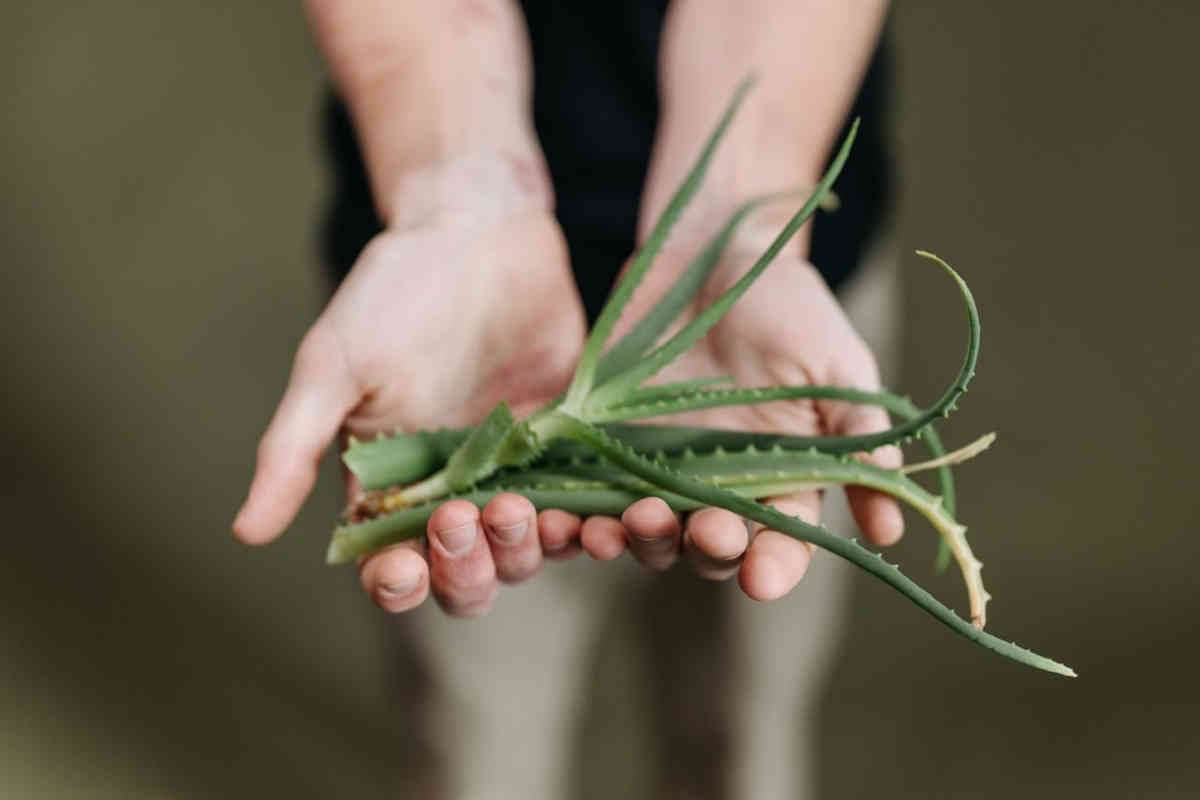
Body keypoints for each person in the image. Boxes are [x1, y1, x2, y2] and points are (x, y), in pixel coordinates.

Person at [234, 1, 898, 796]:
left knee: (741, 731)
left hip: (764, 318)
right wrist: (455, 188)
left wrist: (742, 215)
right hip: (446, 328)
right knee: (472, 736)